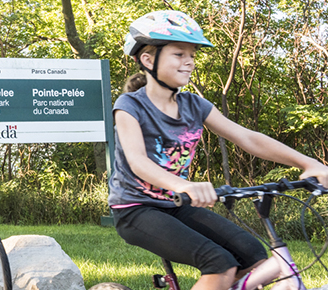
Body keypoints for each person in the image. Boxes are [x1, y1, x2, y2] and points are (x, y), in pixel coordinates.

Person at [110, 10, 328, 290]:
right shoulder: (130, 106)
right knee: (219, 264)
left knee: (256, 257)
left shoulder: (195, 106)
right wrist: (183, 185)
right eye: (179, 54)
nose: (189, 61)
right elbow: (138, 162)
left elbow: (247, 138)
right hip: (136, 209)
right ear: (148, 59)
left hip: (178, 206)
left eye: (192, 55)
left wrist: (308, 163)